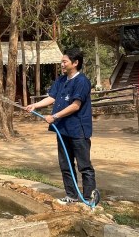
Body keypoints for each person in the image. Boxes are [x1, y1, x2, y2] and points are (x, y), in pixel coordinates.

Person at [25, 48, 97, 205]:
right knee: (66, 165)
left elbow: (75, 106)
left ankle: (89, 200)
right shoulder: (61, 80)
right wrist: (35, 105)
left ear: (75, 63)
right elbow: (52, 97)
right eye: (62, 61)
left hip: (78, 130)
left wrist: (55, 116)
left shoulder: (82, 82)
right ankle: (71, 196)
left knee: (84, 166)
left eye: (65, 62)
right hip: (62, 129)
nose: (62, 64)